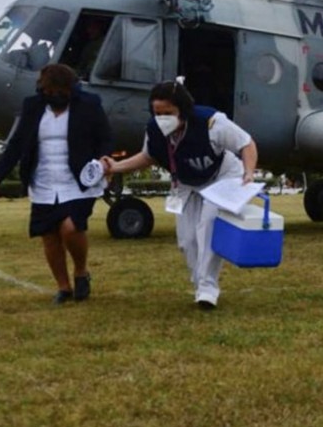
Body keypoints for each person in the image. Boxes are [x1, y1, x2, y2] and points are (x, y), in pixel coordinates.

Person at [102, 79, 258, 310]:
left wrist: (248, 173)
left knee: (208, 226)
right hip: (185, 181)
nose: (162, 118)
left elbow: (246, 143)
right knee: (186, 240)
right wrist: (115, 167)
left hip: (221, 174)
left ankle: (207, 288)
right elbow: (147, 157)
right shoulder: (154, 130)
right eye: (157, 112)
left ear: (183, 111)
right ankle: (199, 283)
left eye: (169, 112)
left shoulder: (211, 123)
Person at [0, 64, 113, 304]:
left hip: (78, 180)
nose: (55, 95)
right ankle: (63, 287)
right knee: (49, 234)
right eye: (49, 90)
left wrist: (104, 159)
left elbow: (105, 137)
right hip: (44, 181)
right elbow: (17, 143)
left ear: (70, 88)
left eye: (60, 90)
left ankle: (81, 271)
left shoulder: (89, 104)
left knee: (71, 228)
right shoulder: (32, 106)